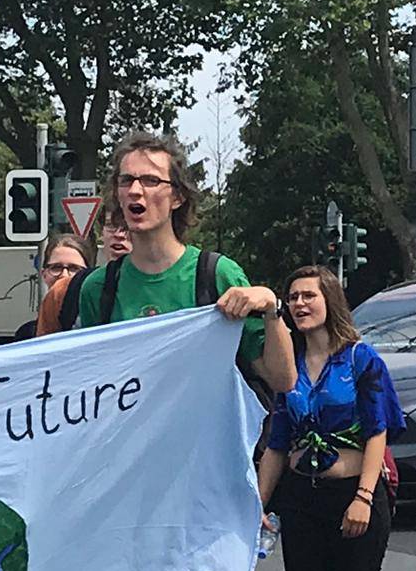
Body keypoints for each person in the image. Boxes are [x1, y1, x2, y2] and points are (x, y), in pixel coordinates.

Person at [74, 132, 295, 392]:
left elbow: (283, 380)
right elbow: (91, 389)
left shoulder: (217, 275)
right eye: (126, 181)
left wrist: (271, 308)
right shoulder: (98, 288)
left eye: (150, 180)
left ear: (177, 197)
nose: (135, 190)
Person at [257, 266, 404, 571]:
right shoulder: (287, 366)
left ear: (330, 301)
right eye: (292, 298)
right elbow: (277, 443)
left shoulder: (360, 359)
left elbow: (376, 430)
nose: (299, 304)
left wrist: (363, 498)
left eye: (309, 296)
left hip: (351, 494)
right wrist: (256, 506)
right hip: (301, 500)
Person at [41, 207, 133, 336]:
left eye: (127, 226)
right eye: (110, 225)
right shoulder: (62, 291)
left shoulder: (168, 283)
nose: (119, 234)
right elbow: (46, 350)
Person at [15, 234, 95, 340]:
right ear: (44, 274)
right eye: (56, 267)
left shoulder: (96, 326)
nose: (64, 275)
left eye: (74, 268)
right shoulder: (26, 335)